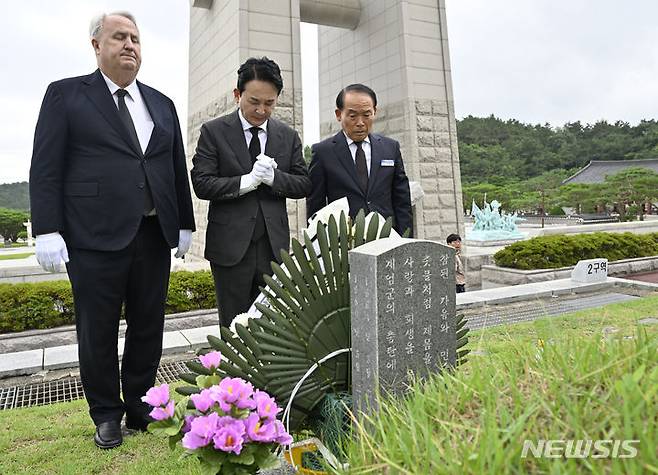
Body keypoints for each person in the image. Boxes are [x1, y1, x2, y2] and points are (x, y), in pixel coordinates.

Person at [29, 12, 195, 449]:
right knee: (97, 329)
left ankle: (141, 405)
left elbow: (175, 168)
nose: (129, 45)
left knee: (148, 325)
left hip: (152, 233)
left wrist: (184, 222)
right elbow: (46, 167)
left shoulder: (161, 103)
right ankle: (106, 412)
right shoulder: (66, 96)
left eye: (135, 38)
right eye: (119, 37)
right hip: (92, 236)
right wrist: (47, 228)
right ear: (96, 45)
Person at [191, 57, 311, 328]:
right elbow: (202, 183)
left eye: (269, 103)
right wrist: (246, 181)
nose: (261, 110)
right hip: (230, 247)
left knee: (272, 327)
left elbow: (304, 183)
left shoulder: (287, 136)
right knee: (233, 327)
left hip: (273, 247)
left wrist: (273, 178)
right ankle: (231, 372)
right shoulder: (214, 132)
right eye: (254, 101)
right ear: (238, 94)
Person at [306, 83, 412, 236]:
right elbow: (316, 205)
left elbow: (402, 200)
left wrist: (406, 241)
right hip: (344, 242)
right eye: (353, 116)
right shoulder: (323, 152)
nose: (360, 123)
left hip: (388, 238)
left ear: (375, 112)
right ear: (338, 114)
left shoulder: (391, 148)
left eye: (367, 115)